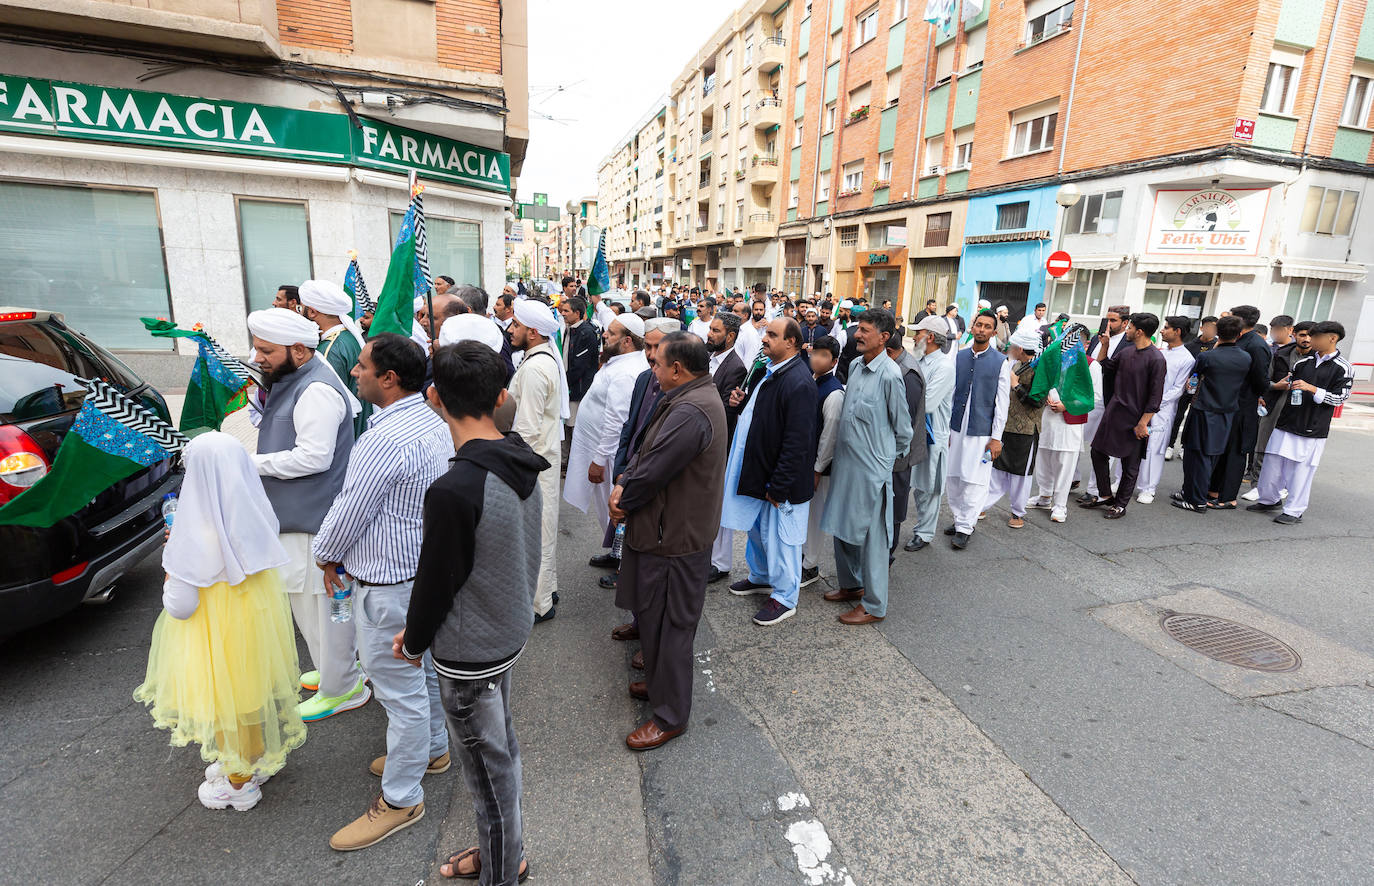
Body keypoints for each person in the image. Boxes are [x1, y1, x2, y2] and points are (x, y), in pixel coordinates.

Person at [395, 342, 547, 884]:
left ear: (434, 397)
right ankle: (501, 849)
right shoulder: (518, 455)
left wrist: (413, 641)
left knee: (488, 772)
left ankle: (504, 869)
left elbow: (437, 581)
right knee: (497, 754)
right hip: (506, 630)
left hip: (470, 653)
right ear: (502, 396)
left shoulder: (456, 487)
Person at [311, 334, 453, 851]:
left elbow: (352, 509)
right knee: (422, 676)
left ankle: (400, 798)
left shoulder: (387, 438)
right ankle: (432, 751)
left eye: (363, 366)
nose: (355, 373)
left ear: (388, 379)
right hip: (419, 577)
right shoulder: (428, 421)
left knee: (401, 695)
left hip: (391, 584)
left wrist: (324, 555)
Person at [134, 432, 306, 813]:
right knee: (251, 699)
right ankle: (255, 758)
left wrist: (169, 567)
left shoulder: (192, 532)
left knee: (226, 708)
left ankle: (238, 784)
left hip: (215, 639)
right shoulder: (257, 514)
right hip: (256, 628)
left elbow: (179, 605)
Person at [247, 308, 369, 722]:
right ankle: (337, 671)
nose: (257, 356)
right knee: (311, 607)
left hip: (315, 522)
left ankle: (344, 687)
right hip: (301, 519)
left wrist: (248, 463)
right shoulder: (297, 378)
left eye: (266, 350)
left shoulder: (315, 390)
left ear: (299, 351)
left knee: (324, 608)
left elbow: (314, 457)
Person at [609, 333, 728, 750]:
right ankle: (660, 688)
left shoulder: (693, 409)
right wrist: (623, 483)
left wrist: (624, 498)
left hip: (676, 537)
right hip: (665, 530)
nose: (652, 370)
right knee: (655, 620)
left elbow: (655, 468)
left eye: (657, 363)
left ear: (677, 368)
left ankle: (670, 715)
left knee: (673, 627)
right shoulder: (683, 396)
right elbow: (644, 452)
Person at [720, 318, 817, 626]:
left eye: (772, 335)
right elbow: (764, 415)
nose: (764, 339)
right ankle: (761, 576)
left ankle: (785, 597)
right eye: (765, 333)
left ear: (791, 342)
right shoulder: (771, 371)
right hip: (760, 472)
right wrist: (741, 402)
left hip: (781, 482)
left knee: (783, 539)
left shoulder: (799, 382)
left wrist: (779, 485)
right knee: (757, 532)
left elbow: (797, 442)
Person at [821, 310, 913, 623]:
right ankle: (851, 585)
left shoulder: (890, 375)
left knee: (873, 538)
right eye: (858, 329)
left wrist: (882, 463)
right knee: (841, 527)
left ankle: (874, 606)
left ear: (884, 337)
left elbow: (904, 430)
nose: (857, 335)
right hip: (846, 464)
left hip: (872, 472)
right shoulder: (857, 366)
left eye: (865, 331)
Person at [1246, 320, 1353, 524]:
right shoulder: (1302, 363)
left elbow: (1339, 398)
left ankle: (1294, 510)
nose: (1311, 340)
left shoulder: (1343, 368)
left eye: (1316, 337)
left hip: (1312, 427)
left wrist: (1312, 389)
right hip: (1287, 420)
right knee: (1272, 463)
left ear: (1332, 338)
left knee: (1301, 470)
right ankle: (1269, 499)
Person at [508, 299, 569, 623]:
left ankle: (539, 604)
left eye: (516, 325)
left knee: (539, 533)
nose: (511, 330)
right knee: (545, 528)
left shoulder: (534, 368)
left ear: (532, 332)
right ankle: (548, 589)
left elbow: (526, 430)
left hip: (535, 462)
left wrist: (510, 471)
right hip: (542, 460)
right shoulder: (540, 360)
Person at [564, 313, 649, 543]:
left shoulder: (626, 372)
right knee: (605, 509)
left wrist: (599, 460)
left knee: (614, 508)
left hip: (609, 457)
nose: (604, 335)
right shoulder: (619, 361)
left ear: (627, 341)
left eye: (611, 333)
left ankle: (623, 562)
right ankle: (614, 550)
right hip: (600, 450)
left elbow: (616, 422)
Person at [1080, 313, 1166, 519]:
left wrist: (1143, 423)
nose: (1126, 330)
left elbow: (1156, 397)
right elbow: (1104, 366)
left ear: (1140, 332)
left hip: (1136, 418)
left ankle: (1120, 504)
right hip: (1114, 411)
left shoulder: (1156, 359)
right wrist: (1105, 345)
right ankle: (1106, 494)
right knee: (1097, 452)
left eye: (1130, 328)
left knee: (1130, 464)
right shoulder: (1127, 352)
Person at [1173, 316, 1253, 513]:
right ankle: (1192, 493)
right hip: (1227, 412)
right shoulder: (1245, 357)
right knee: (1211, 455)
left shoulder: (1208, 356)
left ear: (1218, 332)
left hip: (1204, 409)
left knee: (1196, 454)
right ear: (1239, 334)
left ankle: (1196, 500)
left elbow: (1193, 379)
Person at [943, 311, 1008, 549]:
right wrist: (945, 430)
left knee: (975, 480)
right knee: (953, 477)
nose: (981, 329)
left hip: (981, 432)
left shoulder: (1000, 362)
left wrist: (996, 439)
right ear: (973, 327)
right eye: (978, 324)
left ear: (993, 332)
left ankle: (965, 527)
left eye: (987, 326)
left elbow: (1002, 404)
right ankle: (960, 518)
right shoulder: (958, 357)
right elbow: (949, 395)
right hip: (956, 427)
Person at [1207, 304, 1271, 508]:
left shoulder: (1256, 345)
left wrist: (1255, 395)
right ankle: (1213, 490)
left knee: (1235, 452)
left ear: (1242, 321)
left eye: (1232, 317)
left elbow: (1261, 380)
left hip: (1243, 406)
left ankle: (1228, 498)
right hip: (1227, 403)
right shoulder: (1239, 340)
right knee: (1221, 450)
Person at [1027, 324, 1093, 524]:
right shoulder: (1052, 359)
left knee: (1065, 466)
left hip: (1069, 423)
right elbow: (1041, 381)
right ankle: (1044, 496)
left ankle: (1060, 505)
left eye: (1076, 340)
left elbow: (1094, 397)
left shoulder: (1091, 365)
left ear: (1084, 343)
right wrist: (1045, 395)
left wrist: (1067, 405)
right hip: (1047, 419)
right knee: (1044, 459)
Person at [980, 327, 1043, 529]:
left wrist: (1016, 386)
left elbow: (1037, 401)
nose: (1009, 348)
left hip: (1026, 431)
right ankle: (982, 505)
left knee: (1020, 475)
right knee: (996, 470)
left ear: (1021, 349)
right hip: (1006, 427)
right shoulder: (1014, 364)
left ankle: (1017, 512)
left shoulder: (1039, 370)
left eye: (1013, 346)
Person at [903, 317, 955, 551]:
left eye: (919, 333)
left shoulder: (944, 366)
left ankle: (924, 533)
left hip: (932, 434)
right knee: (916, 484)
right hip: (915, 431)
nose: (914, 337)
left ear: (930, 337)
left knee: (928, 488)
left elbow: (928, 403)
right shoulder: (920, 360)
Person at [1135, 316, 1196, 504]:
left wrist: (1155, 404)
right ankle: (1123, 480)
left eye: (1167, 328)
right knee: (1134, 443)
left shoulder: (1186, 358)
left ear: (1177, 331)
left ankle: (1148, 488)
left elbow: (1178, 389)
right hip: (1143, 405)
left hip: (1163, 411)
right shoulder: (1158, 351)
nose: (1162, 330)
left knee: (1155, 448)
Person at [299, 279, 370, 437]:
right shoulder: (347, 337)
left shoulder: (330, 350)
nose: (299, 312)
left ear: (311, 312)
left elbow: (326, 408)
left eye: (301, 308)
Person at [706, 312, 747, 583]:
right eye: (710, 329)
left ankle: (720, 564)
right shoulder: (709, 358)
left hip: (720, 445)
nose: (709, 334)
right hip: (703, 444)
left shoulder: (735, 367)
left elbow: (723, 410)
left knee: (720, 504)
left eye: (716, 331)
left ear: (730, 336)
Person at [1075, 305, 1131, 502]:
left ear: (1125, 323)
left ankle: (1096, 491)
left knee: (1103, 448)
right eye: (1107, 319)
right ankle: (1073, 478)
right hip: (1090, 398)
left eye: (1113, 320)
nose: (1108, 324)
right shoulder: (1097, 339)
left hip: (1112, 401)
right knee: (1077, 437)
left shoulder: (1128, 344)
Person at [803, 335, 845, 583]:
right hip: (805, 461)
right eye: (814, 353)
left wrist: (818, 469)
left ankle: (810, 565)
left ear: (834, 361)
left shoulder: (834, 393)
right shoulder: (812, 381)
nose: (816, 359)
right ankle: (803, 556)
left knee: (816, 516)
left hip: (820, 468)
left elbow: (830, 436)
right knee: (805, 514)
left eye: (823, 355)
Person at [1243, 314, 1298, 500]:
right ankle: (1257, 485)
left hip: (1291, 406)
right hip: (1268, 402)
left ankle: (1280, 486)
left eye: (1279, 330)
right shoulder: (1270, 349)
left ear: (1290, 330)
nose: (1275, 334)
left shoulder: (1298, 353)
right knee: (1261, 443)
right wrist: (1265, 391)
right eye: (1273, 330)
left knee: (1282, 449)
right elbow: (1263, 378)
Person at [886, 327, 927, 554]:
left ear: (890, 351)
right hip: (886, 455)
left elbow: (904, 426)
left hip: (899, 457)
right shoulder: (895, 366)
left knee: (894, 509)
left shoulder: (907, 374)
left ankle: (887, 557)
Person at [1166, 315, 1220, 460]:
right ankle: (1170, 445)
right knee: (1178, 415)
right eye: (1208, 327)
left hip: (1203, 390)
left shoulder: (1216, 347)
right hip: (1185, 387)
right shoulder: (1190, 345)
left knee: (1193, 418)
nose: (1211, 330)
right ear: (1202, 328)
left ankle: (1184, 446)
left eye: (1214, 328)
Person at [559, 295, 601, 467]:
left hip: (579, 388)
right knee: (568, 426)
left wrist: (563, 383)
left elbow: (579, 366)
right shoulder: (569, 329)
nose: (562, 314)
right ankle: (566, 461)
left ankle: (575, 463)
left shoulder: (586, 332)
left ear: (577, 313)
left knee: (575, 427)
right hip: (569, 387)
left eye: (566, 311)